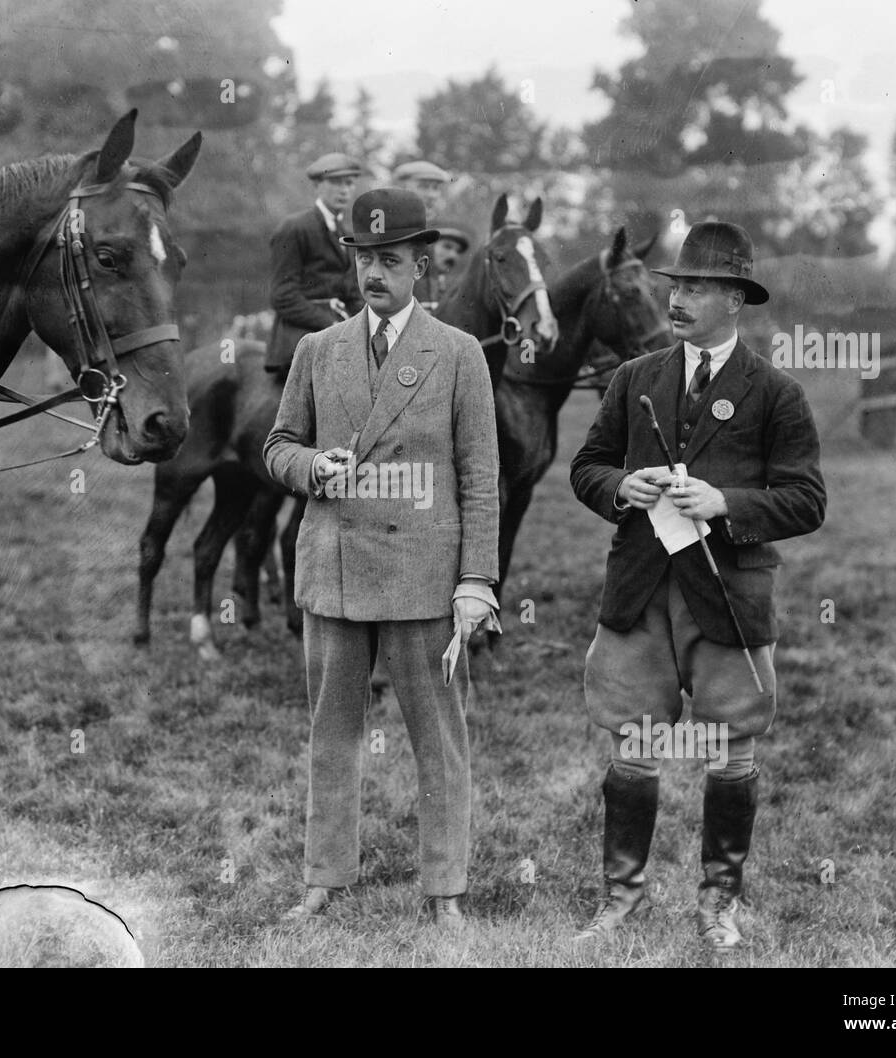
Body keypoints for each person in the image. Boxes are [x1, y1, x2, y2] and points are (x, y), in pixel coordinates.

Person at [569, 221, 826, 950]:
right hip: (641, 591)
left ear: (735, 300)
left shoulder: (775, 392)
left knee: (732, 748)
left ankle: (719, 904)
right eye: (674, 285)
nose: (677, 299)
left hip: (728, 599)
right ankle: (620, 899)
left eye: (696, 288)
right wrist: (625, 484)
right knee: (631, 743)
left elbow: (807, 500)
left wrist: (727, 504)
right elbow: (585, 468)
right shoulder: (635, 378)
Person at [264, 188, 500, 930]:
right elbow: (277, 447)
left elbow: (479, 478)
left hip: (423, 579)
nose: (375, 273)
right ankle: (324, 878)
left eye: (391, 260)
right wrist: (312, 470)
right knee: (330, 735)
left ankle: (446, 890)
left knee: (440, 740)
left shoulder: (458, 354)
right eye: (364, 259)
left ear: (421, 268)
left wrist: (476, 581)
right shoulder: (317, 349)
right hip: (334, 567)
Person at [265, 153, 367, 383]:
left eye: (349, 183)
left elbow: (351, 293)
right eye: (336, 182)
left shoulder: (347, 234)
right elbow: (282, 296)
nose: (344, 190)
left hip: (337, 331)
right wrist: (330, 324)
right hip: (299, 336)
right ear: (317, 186)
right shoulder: (294, 228)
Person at [393, 160, 452, 311]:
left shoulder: (426, 230)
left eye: (436, 188)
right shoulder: (390, 230)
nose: (432, 195)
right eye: (424, 187)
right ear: (401, 189)